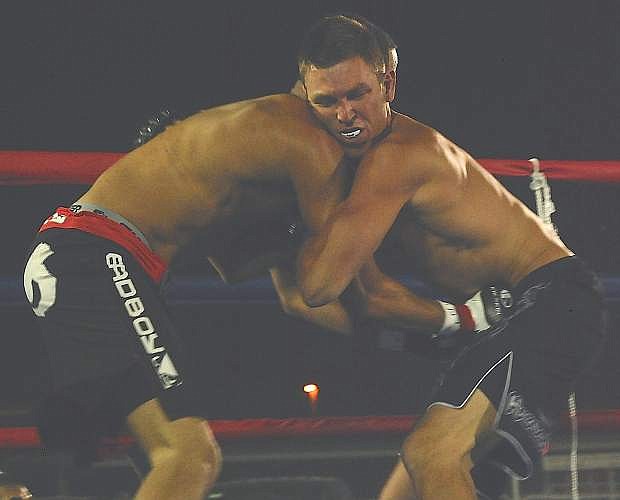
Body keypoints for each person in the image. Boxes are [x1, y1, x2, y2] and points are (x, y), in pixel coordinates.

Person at [294, 16, 607, 499]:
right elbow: (363, 297)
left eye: (357, 94)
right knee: (409, 484)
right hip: (505, 318)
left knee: (431, 454)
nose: (345, 114)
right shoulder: (363, 172)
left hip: (546, 301)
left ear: (388, 83)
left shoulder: (395, 158)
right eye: (327, 101)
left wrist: (290, 189)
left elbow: (319, 285)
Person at [23, 94, 362, 499]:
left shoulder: (229, 188)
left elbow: (271, 285)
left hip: (80, 263)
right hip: (94, 258)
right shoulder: (273, 143)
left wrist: (394, 335)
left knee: (165, 466)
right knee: (189, 456)